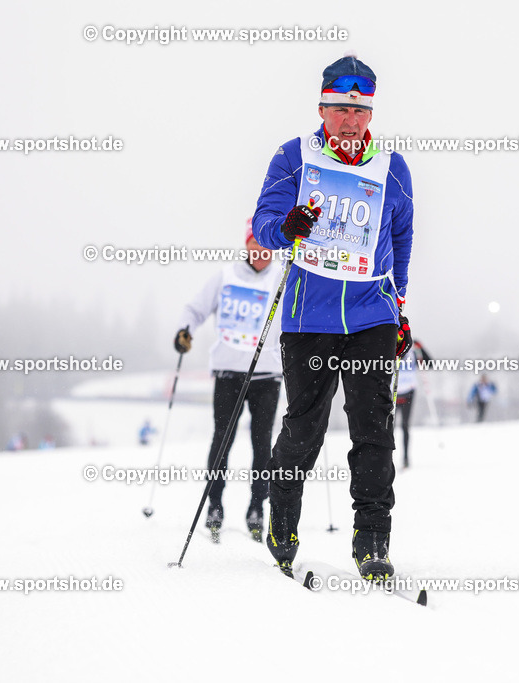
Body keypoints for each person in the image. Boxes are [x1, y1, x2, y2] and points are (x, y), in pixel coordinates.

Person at [252, 54, 414, 580]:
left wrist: (400, 306)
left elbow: (401, 238)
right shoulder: (293, 157)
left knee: (373, 431)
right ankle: (283, 525)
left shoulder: (393, 167)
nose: (351, 120)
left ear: (371, 113)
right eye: (341, 108)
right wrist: (287, 226)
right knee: (305, 430)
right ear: (323, 107)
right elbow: (266, 222)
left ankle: (372, 542)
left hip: (372, 315)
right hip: (309, 316)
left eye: (360, 110)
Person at [174, 220, 284, 543]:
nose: (261, 253)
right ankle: (215, 505)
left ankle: (256, 507)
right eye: (255, 246)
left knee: (262, 443)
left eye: (266, 248)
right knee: (223, 439)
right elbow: (195, 309)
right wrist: (184, 331)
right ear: (247, 245)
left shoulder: (282, 277)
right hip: (228, 373)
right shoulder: (226, 276)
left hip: (266, 375)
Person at [395, 340, 431, 469]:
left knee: (405, 426)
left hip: (408, 392)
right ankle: (387, 458)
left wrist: (422, 349)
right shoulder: (390, 346)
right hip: (392, 392)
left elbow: (429, 364)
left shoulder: (413, 351)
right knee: (388, 427)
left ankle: (405, 458)